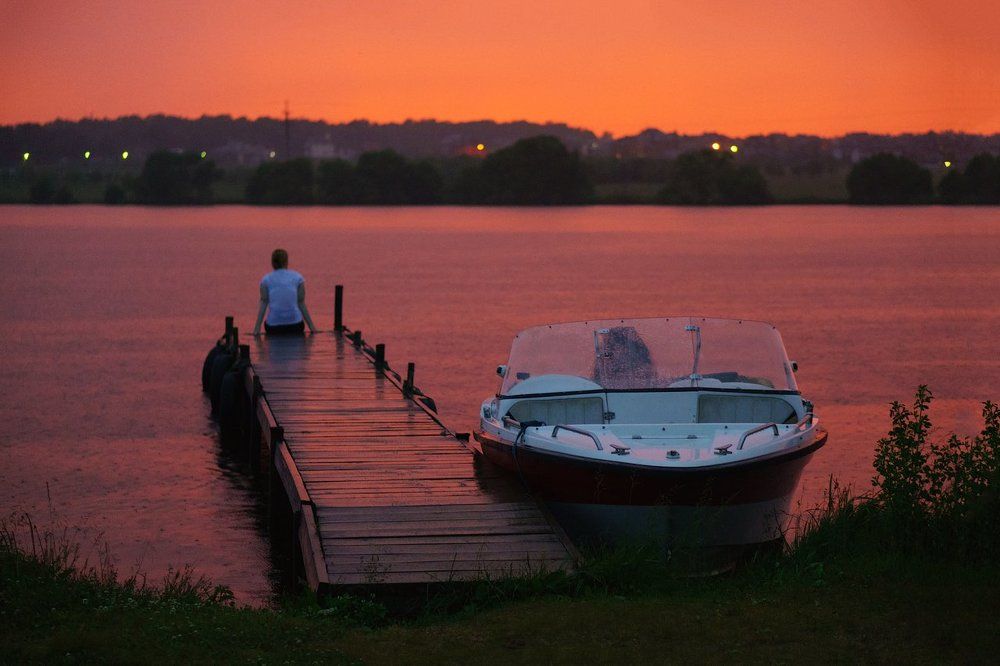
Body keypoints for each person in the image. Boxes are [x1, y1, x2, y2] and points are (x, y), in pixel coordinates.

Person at [252, 248, 317, 336]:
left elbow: (264, 303)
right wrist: (312, 327)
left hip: (273, 327)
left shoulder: (266, 280)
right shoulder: (298, 278)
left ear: (272, 262)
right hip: (295, 326)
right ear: (286, 261)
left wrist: (257, 328)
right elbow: (301, 303)